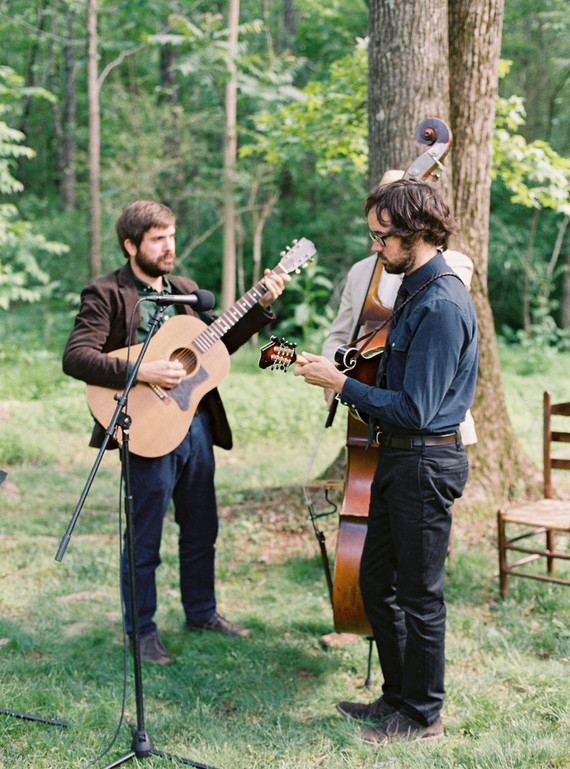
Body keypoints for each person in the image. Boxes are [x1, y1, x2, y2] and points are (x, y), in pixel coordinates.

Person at [63, 199, 290, 664]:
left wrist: (260, 304)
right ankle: (141, 630)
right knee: (144, 535)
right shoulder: (106, 294)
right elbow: (77, 357)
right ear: (131, 246)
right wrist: (144, 370)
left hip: (194, 423)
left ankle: (202, 612)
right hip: (143, 426)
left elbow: (214, 344)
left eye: (171, 235)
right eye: (158, 239)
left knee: (202, 525)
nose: (169, 246)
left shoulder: (186, 289)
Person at [294, 179, 478, 743]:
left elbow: (417, 409)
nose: (376, 249)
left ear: (416, 232)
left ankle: (424, 717)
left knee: (421, 597)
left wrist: (340, 383)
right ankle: (397, 697)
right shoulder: (412, 288)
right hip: (397, 460)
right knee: (377, 582)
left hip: (425, 463)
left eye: (382, 238)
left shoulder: (443, 301)